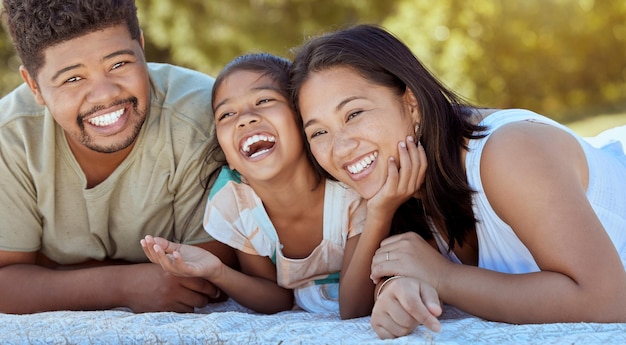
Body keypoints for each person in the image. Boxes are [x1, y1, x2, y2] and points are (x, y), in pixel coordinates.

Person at [288, 24, 626, 338]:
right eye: (318, 132)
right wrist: (396, 288)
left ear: (412, 104)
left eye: (354, 114)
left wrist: (443, 278)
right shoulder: (398, 184)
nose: (341, 147)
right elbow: (356, 308)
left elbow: (608, 301)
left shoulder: (509, 153)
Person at [141, 52, 425, 318]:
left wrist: (379, 212)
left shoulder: (349, 187)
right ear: (229, 156)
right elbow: (277, 300)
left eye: (264, 101)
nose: (245, 119)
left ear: (303, 122)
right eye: (226, 115)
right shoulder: (235, 204)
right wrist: (217, 271)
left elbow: (353, 308)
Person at [0, 0, 237, 314]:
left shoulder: (199, 119)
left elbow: (204, 277)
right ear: (34, 86)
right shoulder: (11, 138)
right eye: (72, 79)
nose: (105, 95)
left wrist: (49, 273)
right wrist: (125, 283)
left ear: (141, 47)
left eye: (119, 64)